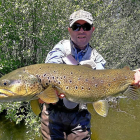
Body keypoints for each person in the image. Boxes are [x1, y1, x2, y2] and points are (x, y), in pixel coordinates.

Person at [40, 10, 140, 140]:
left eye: (86, 27)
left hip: (80, 117)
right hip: (53, 114)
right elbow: (49, 70)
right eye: (76, 27)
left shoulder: (97, 59)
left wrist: (135, 75)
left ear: (92, 30)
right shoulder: (60, 49)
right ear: (69, 30)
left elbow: (102, 83)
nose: (81, 31)